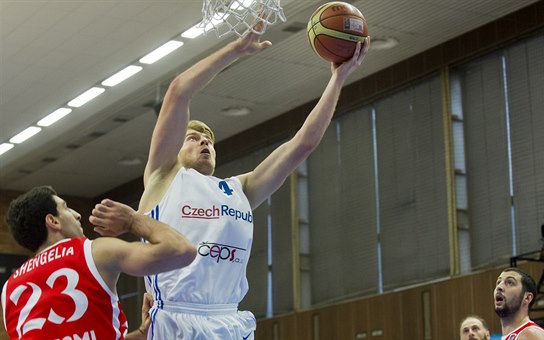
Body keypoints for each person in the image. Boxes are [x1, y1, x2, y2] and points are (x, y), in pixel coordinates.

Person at [137, 18, 370, 339]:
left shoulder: (239, 190)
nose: (204, 142)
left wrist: (338, 79)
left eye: (209, 141)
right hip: (178, 319)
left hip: (230, 320)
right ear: (173, 148)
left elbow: (302, 143)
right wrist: (236, 49)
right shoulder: (162, 177)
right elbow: (178, 92)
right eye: (192, 138)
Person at [1, 185, 196, 339]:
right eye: (66, 208)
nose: (77, 214)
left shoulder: (9, 288)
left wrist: (139, 335)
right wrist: (132, 221)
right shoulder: (93, 250)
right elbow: (182, 250)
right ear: (53, 221)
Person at [494, 267, 544, 339]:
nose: (499, 287)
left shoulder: (530, 335)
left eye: (510, 282)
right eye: (498, 282)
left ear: (527, 298)